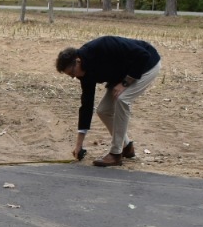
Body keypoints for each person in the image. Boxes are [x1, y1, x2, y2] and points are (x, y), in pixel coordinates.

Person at [56, 36, 161, 167]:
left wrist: (125, 83)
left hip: (147, 65)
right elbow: (86, 105)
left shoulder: (103, 45)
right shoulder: (84, 73)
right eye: (71, 76)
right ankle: (127, 147)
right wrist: (78, 145)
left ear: (77, 61)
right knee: (103, 110)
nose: (74, 77)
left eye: (72, 73)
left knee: (122, 100)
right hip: (123, 73)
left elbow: (143, 55)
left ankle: (116, 154)